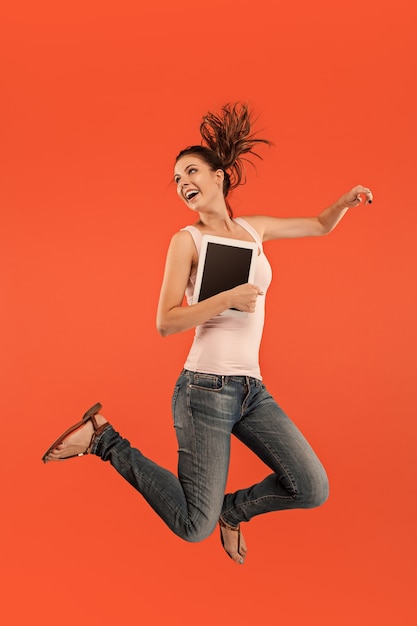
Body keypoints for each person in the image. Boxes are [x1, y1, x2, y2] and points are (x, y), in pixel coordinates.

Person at [42, 103, 373, 565]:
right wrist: (225, 300)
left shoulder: (254, 230)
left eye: (191, 172)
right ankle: (103, 440)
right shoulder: (187, 241)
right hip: (203, 390)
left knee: (312, 486)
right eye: (177, 180)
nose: (182, 185)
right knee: (193, 527)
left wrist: (344, 202)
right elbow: (165, 321)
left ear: (220, 176)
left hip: (252, 391)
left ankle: (233, 510)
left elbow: (318, 225)